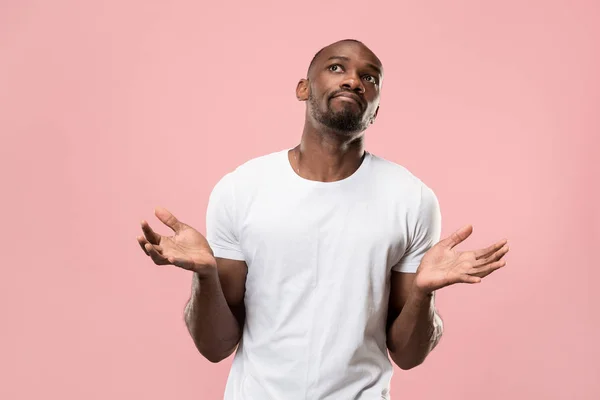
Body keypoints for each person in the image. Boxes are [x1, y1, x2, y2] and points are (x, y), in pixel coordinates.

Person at [136, 39, 509, 399]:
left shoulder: (412, 199)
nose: (353, 81)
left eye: (370, 77)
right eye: (336, 67)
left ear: (376, 110)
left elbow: (408, 356)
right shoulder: (241, 189)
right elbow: (215, 347)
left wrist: (423, 295)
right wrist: (206, 275)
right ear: (303, 88)